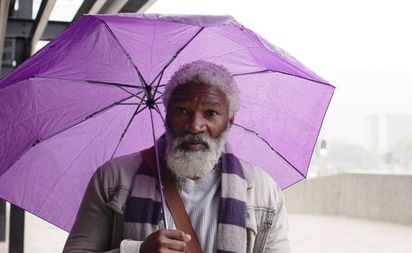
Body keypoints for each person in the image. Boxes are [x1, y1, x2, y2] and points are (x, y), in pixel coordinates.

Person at [63, 60, 291, 253]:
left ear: (229, 122)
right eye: (182, 110)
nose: (194, 126)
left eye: (210, 113)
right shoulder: (113, 178)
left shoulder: (263, 192)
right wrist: (137, 251)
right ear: (166, 114)